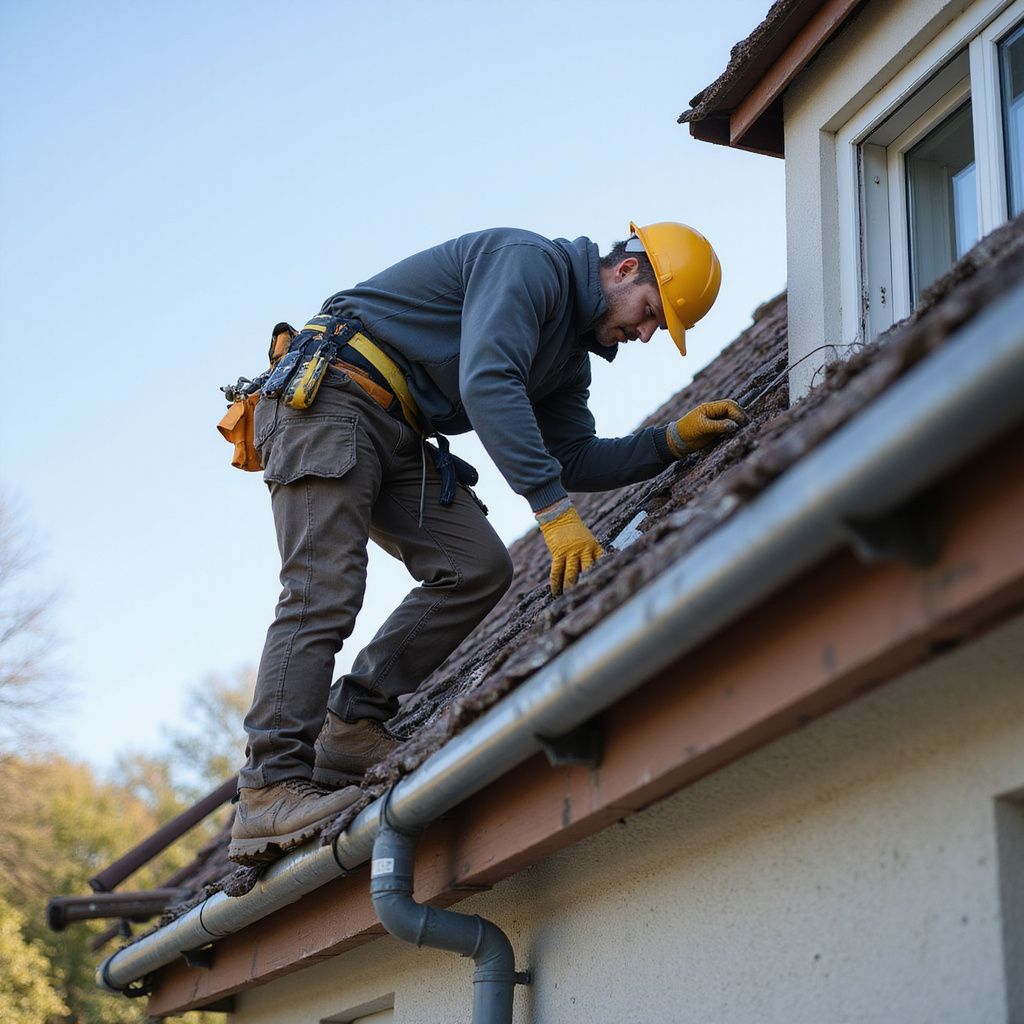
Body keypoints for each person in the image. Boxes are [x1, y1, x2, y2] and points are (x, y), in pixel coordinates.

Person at [228, 221, 746, 864]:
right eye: (651, 315)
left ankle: (354, 722)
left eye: (658, 330)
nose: (645, 335)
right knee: (322, 587)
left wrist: (668, 442)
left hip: (395, 428)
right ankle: (268, 788)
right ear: (625, 270)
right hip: (332, 396)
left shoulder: (566, 360)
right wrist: (552, 512)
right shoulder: (528, 264)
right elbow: (488, 380)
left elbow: (575, 456)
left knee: (475, 566)